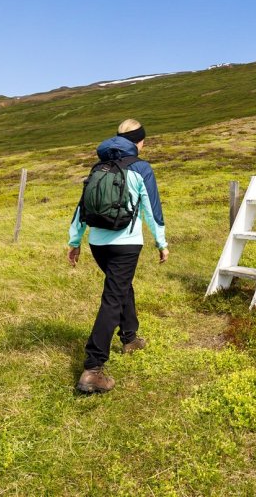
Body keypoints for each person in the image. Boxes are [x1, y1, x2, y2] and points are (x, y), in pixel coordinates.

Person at [67, 118, 169, 394]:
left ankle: (130, 338)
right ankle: (93, 368)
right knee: (113, 297)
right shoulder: (141, 168)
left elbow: (82, 207)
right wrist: (162, 242)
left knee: (120, 286)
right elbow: (152, 208)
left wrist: (74, 242)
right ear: (139, 141)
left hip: (97, 244)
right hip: (126, 245)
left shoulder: (99, 167)